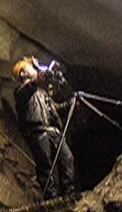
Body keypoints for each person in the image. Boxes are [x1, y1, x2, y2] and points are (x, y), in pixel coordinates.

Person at [13, 57, 77, 199]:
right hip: (37, 133)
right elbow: (27, 92)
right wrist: (38, 79)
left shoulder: (42, 94)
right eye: (31, 67)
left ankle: (69, 197)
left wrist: (71, 103)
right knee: (45, 168)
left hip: (52, 132)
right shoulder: (20, 92)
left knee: (67, 159)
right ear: (22, 73)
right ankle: (51, 201)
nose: (35, 68)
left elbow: (56, 109)